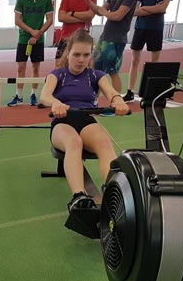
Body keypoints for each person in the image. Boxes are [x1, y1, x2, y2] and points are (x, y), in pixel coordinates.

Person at [39, 29, 129, 211]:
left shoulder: (96, 75)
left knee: (104, 142)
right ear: (68, 54)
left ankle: (115, 192)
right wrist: (55, 103)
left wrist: (118, 100)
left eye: (86, 55)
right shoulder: (57, 74)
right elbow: (45, 96)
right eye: (76, 54)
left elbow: (111, 92)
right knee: (74, 143)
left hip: (86, 121)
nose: (81, 59)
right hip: (62, 122)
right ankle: (79, 196)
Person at [85, 0, 138, 93]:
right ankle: (94, 99)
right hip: (105, 36)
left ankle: (116, 100)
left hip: (117, 38)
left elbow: (118, 16)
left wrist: (104, 12)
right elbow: (100, 11)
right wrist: (89, 2)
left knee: (112, 71)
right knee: (95, 69)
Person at [123, 0, 173, 102]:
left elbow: (163, 8)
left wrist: (144, 8)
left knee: (154, 63)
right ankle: (130, 91)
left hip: (156, 28)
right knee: (134, 60)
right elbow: (135, 11)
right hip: (140, 27)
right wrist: (154, 9)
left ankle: (151, 93)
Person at [7, 0, 54, 107]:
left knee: (36, 67)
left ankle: (33, 94)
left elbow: (50, 19)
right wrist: (31, 31)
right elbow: (17, 20)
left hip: (39, 40)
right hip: (23, 39)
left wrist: (38, 33)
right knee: (21, 68)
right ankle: (19, 96)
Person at [55, 0, 96, 68]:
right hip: (65, 37)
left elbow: (90, 15)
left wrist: (72, 13)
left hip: (82, 38)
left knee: (83, 67)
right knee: (59, 66)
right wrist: (83, 18)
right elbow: (61, 17)